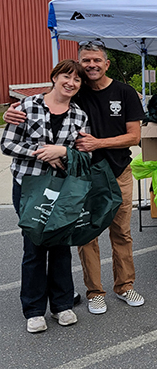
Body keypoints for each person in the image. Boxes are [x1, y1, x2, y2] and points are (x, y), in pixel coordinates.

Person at [4, 40, 146, 315]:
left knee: (121, 233)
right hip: (79, 177)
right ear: (79, 65)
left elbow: (134, 136)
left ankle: (125, 286)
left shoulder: (124, 92)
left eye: (97, 60)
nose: (91, 65)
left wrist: (97, 144)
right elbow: (51, 101)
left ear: (106, 63)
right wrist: (15, 111)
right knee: (85, 235)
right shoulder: (75, 90)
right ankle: (94, 292)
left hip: (118, 173)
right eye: (86, 61)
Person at [1, 60, 89, 333]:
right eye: (66, 76)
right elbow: (7, 143)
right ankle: (34, 309)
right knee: (35, 246)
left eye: (76, 80)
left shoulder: (79, 115)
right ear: (54, 77)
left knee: (61, 245)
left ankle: (62, 305)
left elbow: (85, 153)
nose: (71, 83)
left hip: (60, 190)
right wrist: (42, 152)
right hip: (28, 187)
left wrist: (63, 153)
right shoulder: (27, 107)